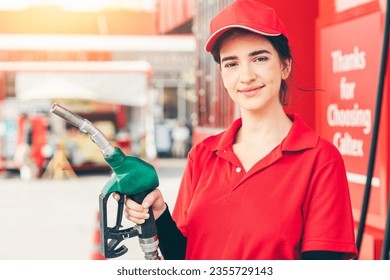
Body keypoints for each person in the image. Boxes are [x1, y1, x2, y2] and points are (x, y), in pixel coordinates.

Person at [115, 0, 358, 260]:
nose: (246, 76)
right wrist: (159, 215)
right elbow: (185, 259)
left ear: (285, 65)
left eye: (260, 58)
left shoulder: (320, 159)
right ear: (222, 73)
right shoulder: (203, 155)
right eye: (232, 64)